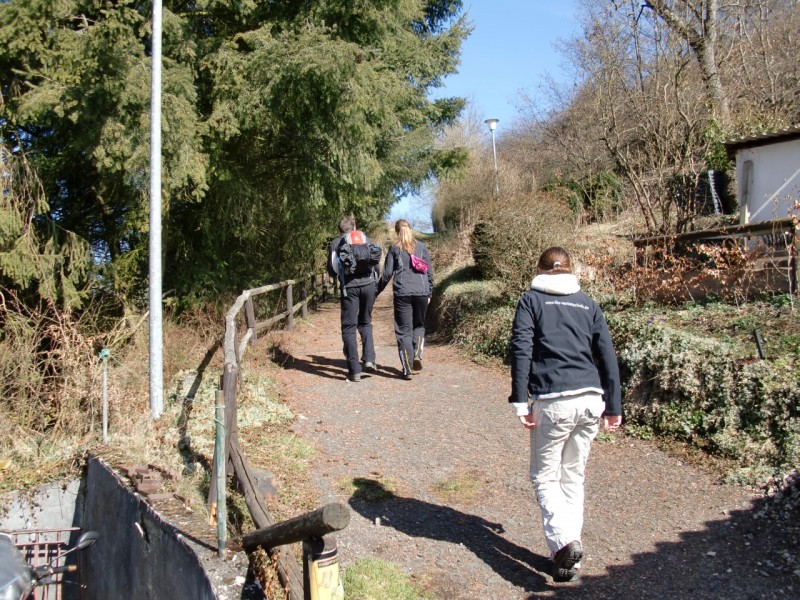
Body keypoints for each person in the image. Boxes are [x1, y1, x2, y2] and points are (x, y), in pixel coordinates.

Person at [508, 246, 622, 583]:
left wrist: (520, 400)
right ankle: (571, 555)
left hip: (553, 399)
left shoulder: (531, 300)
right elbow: (607, 355)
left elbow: (522, 348)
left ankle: (563, 544)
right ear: (571, 268)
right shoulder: (587, 303)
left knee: (545, 477)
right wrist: (614, 405)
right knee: (573, 476)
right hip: (590, 400)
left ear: (539, 268)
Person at [377, 219, 433, 380]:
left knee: (403, 331)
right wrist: (429, 292)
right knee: (419, 325)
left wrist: (376, 291)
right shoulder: (421, 247)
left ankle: (407, 369)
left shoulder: (395, 248)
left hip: (403, 293)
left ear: (397, 232)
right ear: (410, 229)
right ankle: (417, 353)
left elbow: (387, 274)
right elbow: (429, 272)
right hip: (421, 292)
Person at [327, 215, 378, 382]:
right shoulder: (365, 238)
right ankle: (369, 359)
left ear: (339, 229)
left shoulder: (336, 243)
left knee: (349, 327)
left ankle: (355, 370)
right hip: (369, 284)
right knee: (366, 322)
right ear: (353, 227)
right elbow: (376, 262)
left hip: (349, 288)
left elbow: (332, 270)